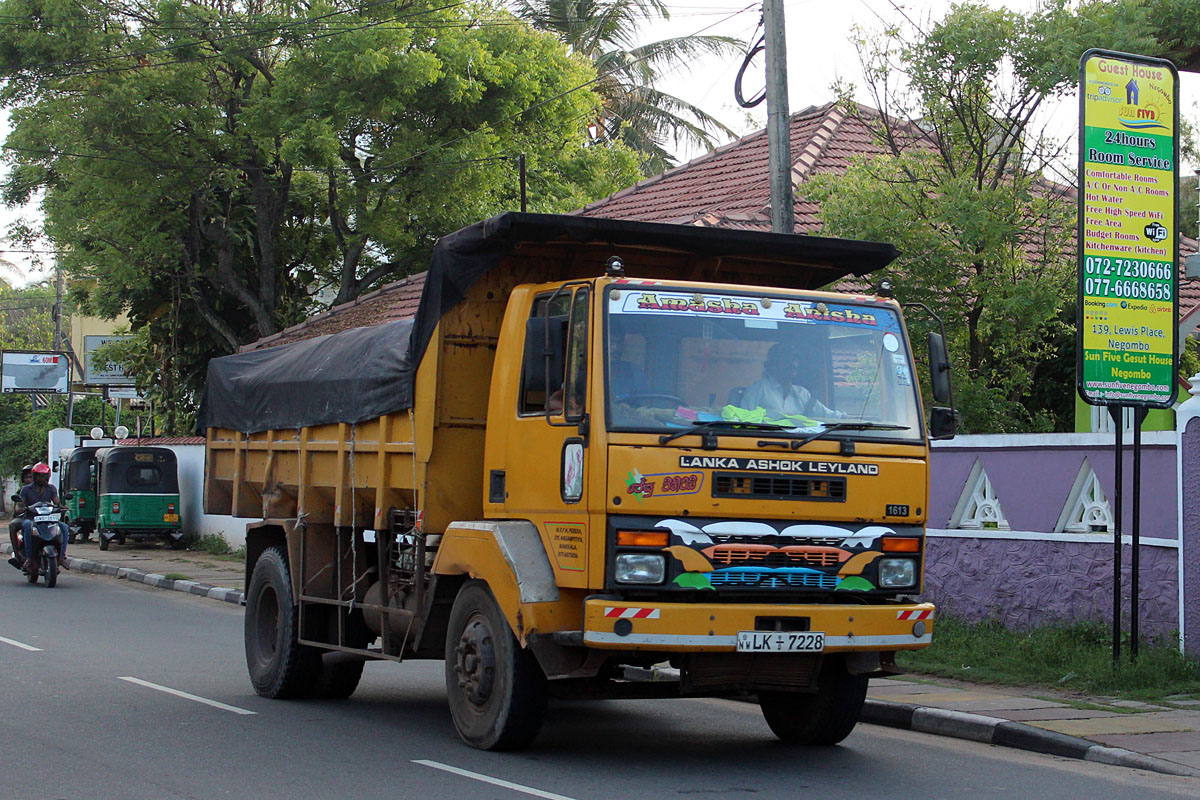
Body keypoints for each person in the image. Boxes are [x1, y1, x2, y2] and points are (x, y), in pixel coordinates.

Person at [741, 342, 844, 421]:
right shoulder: (758, 389)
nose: (793, 365)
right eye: (786, 360)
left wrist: (856, 421)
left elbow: (828, 415)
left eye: (795, 360)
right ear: (772, 364)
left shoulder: (802, 393)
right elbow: (744, 421)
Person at [19, 462, 69, 572]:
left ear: (47, 476)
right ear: (34, 476)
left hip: (48, 519)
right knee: (27, 525)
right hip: (31, 518)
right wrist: (21, 508)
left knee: (64, 527)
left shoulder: (51, 488)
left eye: (43, 475)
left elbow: (56, 502)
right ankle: (29, 558)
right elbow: (20, 505)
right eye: (38, 475)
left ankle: (62, 556)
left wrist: (61, 507)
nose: (41, 478)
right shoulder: (26, 489)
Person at [7, 465, 33, 570]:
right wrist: (21, 508)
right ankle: (17, 555)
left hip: (41, 518)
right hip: (26, 517)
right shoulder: (23, 491)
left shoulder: (45, 488)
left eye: (31, 477)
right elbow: (18, 507)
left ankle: (60, 556)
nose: (29, 480)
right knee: (13, 525)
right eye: (27, 477)